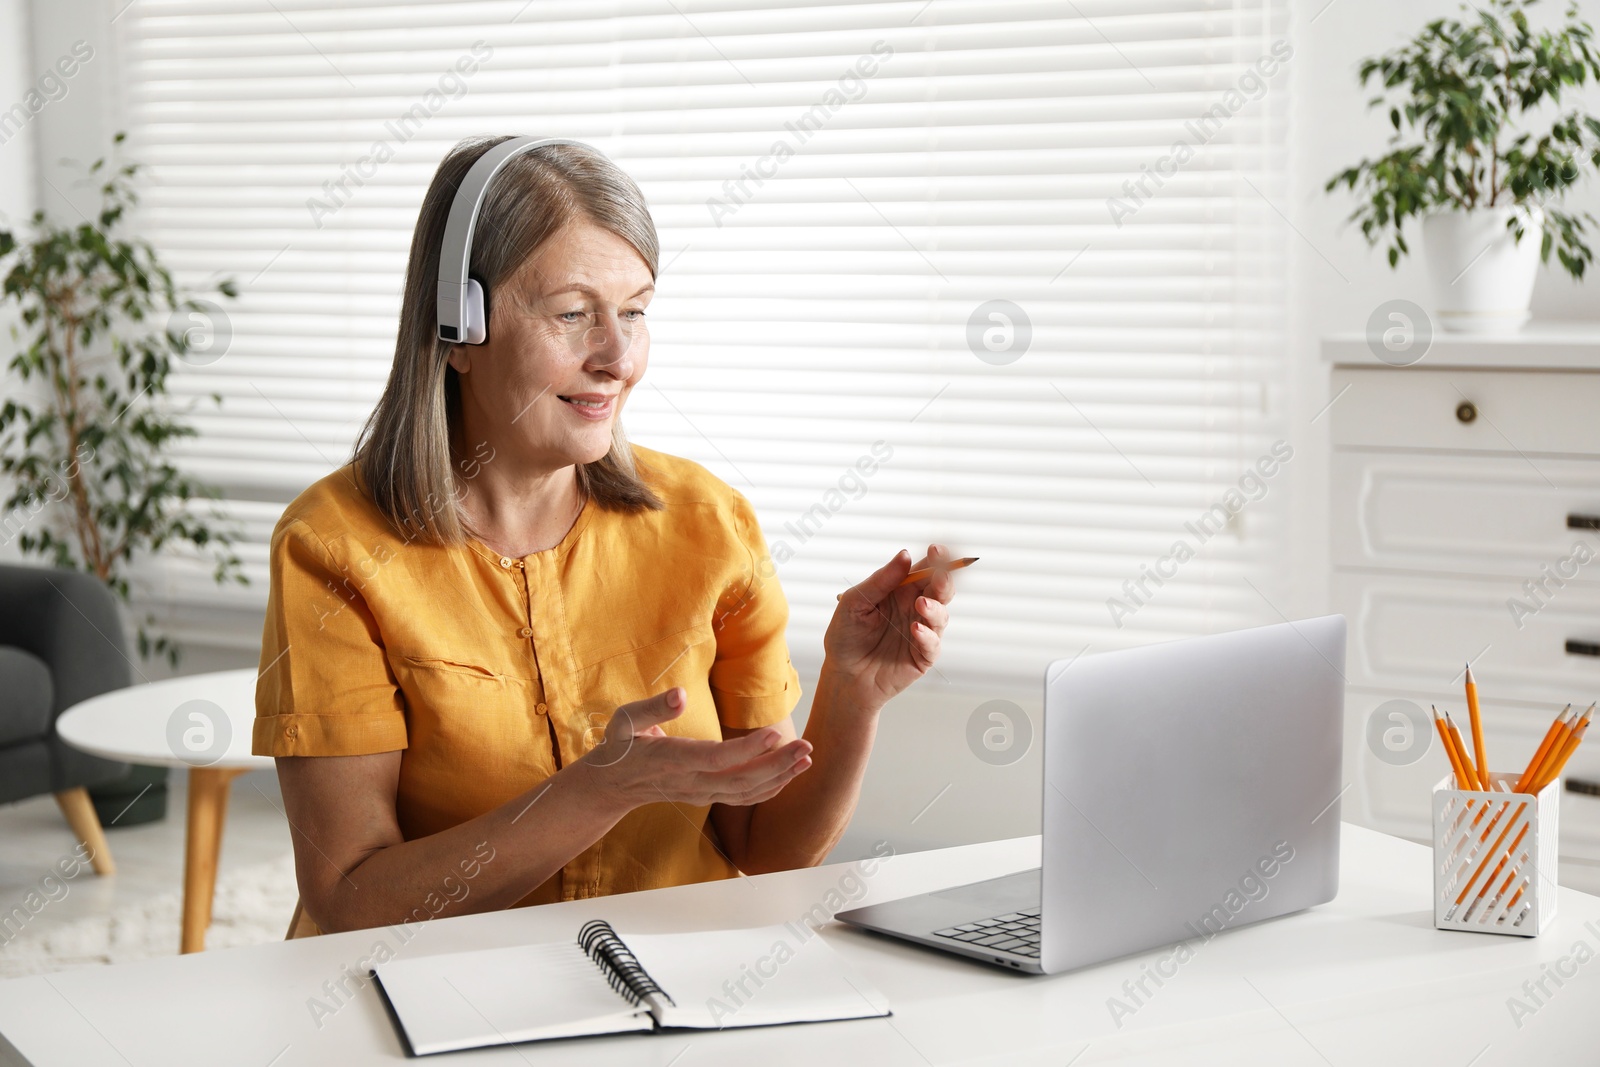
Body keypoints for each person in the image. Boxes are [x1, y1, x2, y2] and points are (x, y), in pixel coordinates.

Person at [254, 135, 955, 934]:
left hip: (665, 985)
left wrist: (853, 693)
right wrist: (603, 786)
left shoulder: (708, 522)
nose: (618, 357)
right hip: (432, 996)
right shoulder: (333, 544)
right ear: (459, 329)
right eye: (573, 314)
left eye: (635, 312)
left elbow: (764, 852)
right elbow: (349, 901)